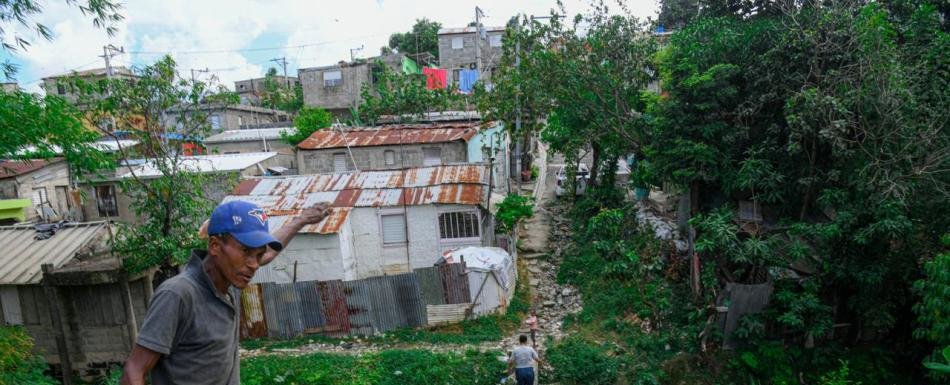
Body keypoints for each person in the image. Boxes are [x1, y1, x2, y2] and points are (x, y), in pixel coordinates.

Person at [119, 200, 331, 385]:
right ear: (214, 246)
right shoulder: (179, 294)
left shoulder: (230, 282)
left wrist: (301, 220)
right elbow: (134, 370)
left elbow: (269, 253)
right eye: (245, 251)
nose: (254, 265)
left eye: (257, 255)